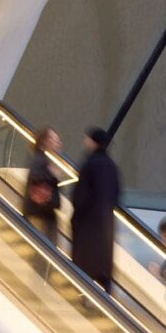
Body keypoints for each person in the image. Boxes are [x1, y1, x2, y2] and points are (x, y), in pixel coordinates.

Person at [69, 127, 122, 296]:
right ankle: (104, 300)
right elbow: (116, 194)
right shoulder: (112, 166)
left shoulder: (90, 164)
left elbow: (80, 196)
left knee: (84, 267)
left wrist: (76, 219)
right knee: (102, 266)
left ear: (93, 142)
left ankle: (82, 297)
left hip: (87, 226)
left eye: (88, 140)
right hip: (106, 225)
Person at [22, 127, 64, 248]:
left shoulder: (41, 157)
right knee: (43, 248)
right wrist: (53, 175)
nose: (58, 143)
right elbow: (36, 176)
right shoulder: (39, 158)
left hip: (40, 212)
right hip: (40, 213)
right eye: (55, 140)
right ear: (46, 140)